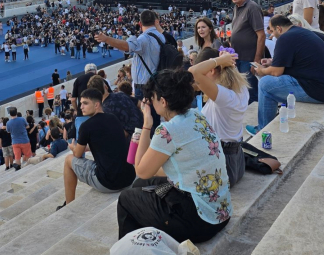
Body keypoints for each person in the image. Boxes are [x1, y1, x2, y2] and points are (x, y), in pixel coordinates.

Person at [116, 69, 231, 243]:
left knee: (126, 199)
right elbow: (178, 167)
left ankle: (131, 247)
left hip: (200, 222)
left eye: (153, 98)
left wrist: (147, 124)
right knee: (141, 185)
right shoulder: (197, 115)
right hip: (221, 213)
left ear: (163, 101)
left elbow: (140, 169)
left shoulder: (167, 131)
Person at [254, 15, 324, 128]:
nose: (272, 35)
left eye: (272, 31)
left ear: (279, 28)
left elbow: (276, 72)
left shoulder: (285, 38)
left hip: (321, 90)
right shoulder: (301, 32)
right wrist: (272, 63)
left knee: (265, 84)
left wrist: (262, 71)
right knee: (272, 87)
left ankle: (263, 129)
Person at [58, 88, 135, 210]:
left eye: (85, 103)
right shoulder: (113, 118)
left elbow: (77, 154)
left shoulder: (86, 126)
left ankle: (68, 204)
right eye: (81, 103)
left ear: (97, 104)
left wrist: (73, 147)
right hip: (129, 177)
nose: (81, 107)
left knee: (68, 160)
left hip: (108, 183)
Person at [189, 49, 250, 186]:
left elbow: (193, 71)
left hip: (222, 165)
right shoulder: (239, 89)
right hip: (233, 161)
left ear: (211, 70)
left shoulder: (224, 97)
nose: (198, 81)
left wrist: (219, 60)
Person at [95, 10, 164, 99]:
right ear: (155, 21)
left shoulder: (144, 39)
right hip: (156, 83)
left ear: (140, 23)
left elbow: (127, 46)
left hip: (145, 87)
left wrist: (106, 39)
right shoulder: (160, 36)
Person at [227, 0, 266, 103]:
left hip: (249, 60)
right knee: (242, 93)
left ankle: (256, 121)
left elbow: (261, 35)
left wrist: (256, 61)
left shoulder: (252, 8)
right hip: (238, 58)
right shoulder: (236, 8)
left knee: (251, 94)